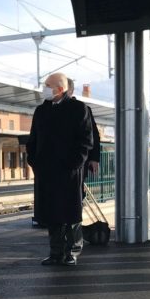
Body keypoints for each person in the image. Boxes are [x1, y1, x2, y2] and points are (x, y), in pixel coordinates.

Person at [26, 72, 94, 266]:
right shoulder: (41, 111)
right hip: (46, 172)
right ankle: (56, 252)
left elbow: (86, 141)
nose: (44, 89)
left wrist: (74, 165)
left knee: (70, 213)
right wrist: (34, 162)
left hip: (69, 172)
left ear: (60, 89)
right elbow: (33, 140)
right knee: (51, 213)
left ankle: (72, 251)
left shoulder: (79, 109)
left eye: (48, 85)